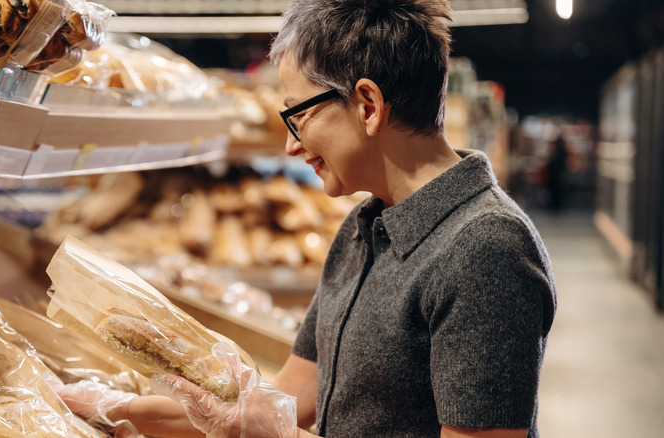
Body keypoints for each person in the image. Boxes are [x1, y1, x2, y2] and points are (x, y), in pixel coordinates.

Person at [57, 1, 557, 437]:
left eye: (299, 114)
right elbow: (290, 395)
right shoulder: (363, 227)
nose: (291, 144)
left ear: (367, 106)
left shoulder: (486, 250)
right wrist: (116, 411)